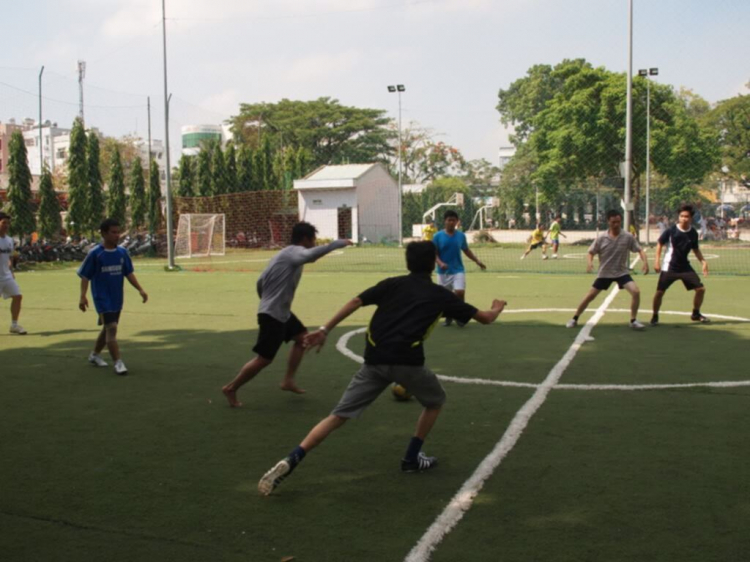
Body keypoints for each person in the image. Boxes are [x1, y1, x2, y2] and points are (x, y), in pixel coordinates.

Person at [257, 241, 507, 495]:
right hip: (409, 364)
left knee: (337, 416)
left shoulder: (392, 284)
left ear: (408, 262)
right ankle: (411, 458)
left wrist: (324, 330)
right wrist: (496, 308)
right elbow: (485, 318)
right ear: (433, 263)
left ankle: (293, 458)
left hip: (374, 361)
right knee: (435, 402)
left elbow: (355, 301)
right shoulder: (441, 295)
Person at [222, 222, 351, 407]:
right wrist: (337, 243)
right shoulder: (294, 252)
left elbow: (260, 281)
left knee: (302, 339)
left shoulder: (283, 254)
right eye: (313, 239)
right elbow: (311, 256)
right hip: (273, 314)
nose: (314, 243)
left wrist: (266, 299)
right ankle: (231, 388)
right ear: (305, 239)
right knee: (264, 359)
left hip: (281, 312)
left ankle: (288, 381)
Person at [78, 218, 148, 375]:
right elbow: (85, 276)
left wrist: (140, 289)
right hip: (101, 298)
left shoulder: (122, 253)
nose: (117, 236)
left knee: (108, 328)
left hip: (117, 297)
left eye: (118, 232)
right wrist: (82, 296)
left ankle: (94, 355)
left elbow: (128, 273)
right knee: (112, 328)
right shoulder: (95, 254)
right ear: (103, 233)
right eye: (113, 232)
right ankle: (118, 362)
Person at [566, 209, 649, 330]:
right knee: (590, 296)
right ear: (608, 222)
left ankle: (633, 320)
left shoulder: (627, 237)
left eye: (618, 222)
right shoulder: (601, 238)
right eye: (613, 222)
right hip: (605, 273)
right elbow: (590, 252)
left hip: (621, 272)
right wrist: (589, 263)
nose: (616, 225)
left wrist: (645, 262)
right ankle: (574, 318)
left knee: (635, 291)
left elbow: (640, 250)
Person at [650, 204, 710, 326]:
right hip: (669, 267)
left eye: (686, 216)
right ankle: (655, 315)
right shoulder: (671, 231)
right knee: (660, 292)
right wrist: (656, 261)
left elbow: (696, 249)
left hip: (684, 267)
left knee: (700, 289)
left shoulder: (693, 233)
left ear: (691, 218)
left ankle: (695, 314)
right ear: (679, 217)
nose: (684, 218)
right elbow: (659, 243)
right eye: (681, 216)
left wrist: (703, 262)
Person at [432, 210, 486, 327]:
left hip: (458, 270)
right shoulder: (437, 236)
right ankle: (449, 316)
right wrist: (440, 263)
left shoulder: (461, 236)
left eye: (453, 220)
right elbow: (434, 253)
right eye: (449, 220)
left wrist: (477, 261)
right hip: (443, 272)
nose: (451, 222)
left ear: (457, 222)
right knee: (445, 296)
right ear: (445, 221)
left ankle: (460, 315)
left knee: (459, 292)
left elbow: (466, 250)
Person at [0, 212, 27, 335]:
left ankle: (14, 325)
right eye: (3, 223)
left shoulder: (10, 240)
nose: (6, 225)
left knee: (17, 296)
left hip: (6, 276)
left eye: (8, 223)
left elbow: (10, 257)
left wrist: (11, 271)